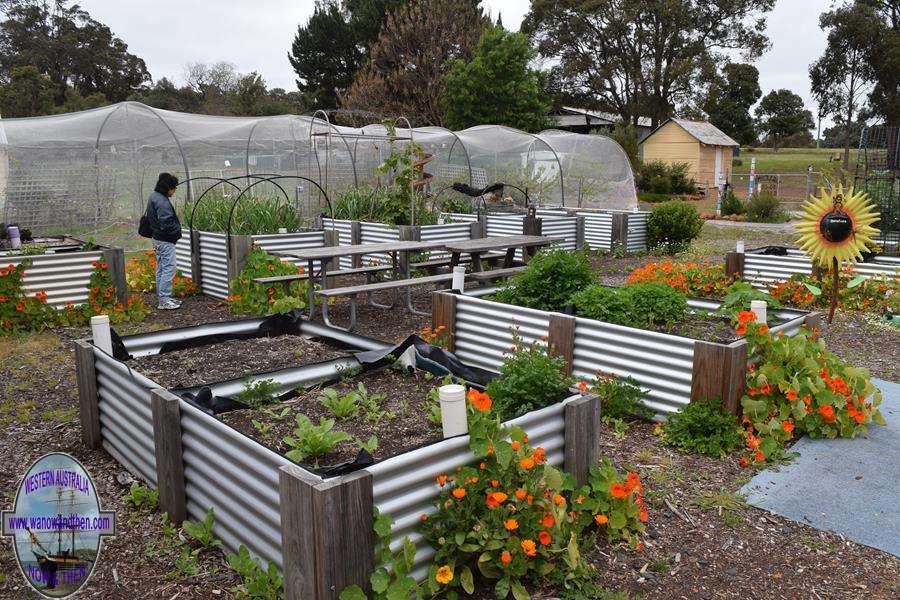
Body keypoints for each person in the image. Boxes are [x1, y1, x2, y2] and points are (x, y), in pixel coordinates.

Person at [145, 173, 182, 309]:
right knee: (169, 268)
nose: (175, 190)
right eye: (174, 188)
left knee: (162, 268)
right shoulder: (162, 201)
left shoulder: (154, 196)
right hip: (165, 240)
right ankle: (164, 300)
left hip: (157, 239)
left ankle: (164, 298)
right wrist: (176, 233)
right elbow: (166, 222)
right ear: (168, 188)